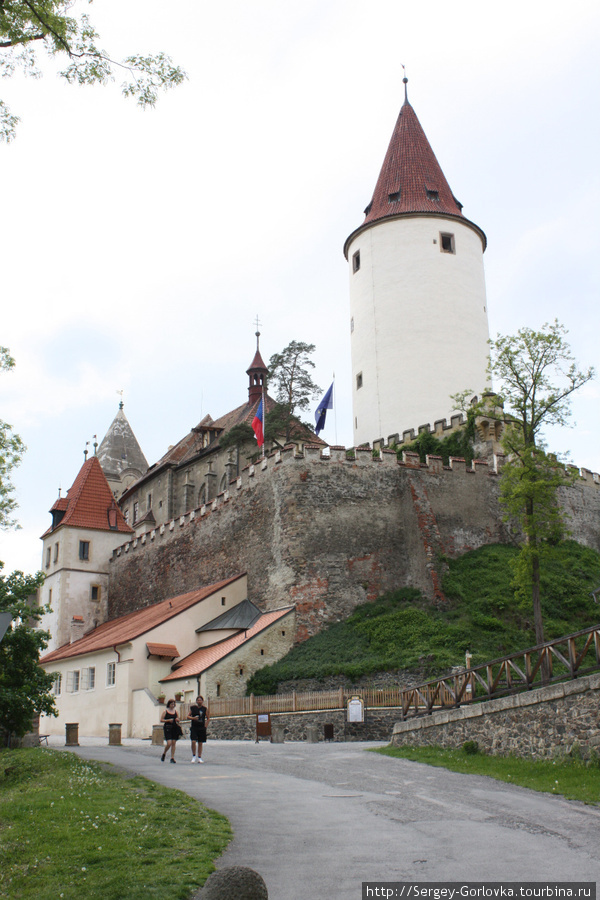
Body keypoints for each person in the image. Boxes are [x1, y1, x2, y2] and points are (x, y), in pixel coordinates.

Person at [188, 694, 209, 763]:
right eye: (198, 700)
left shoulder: (204, 709)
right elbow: (188, 716)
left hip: (201, 727)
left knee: (200, 743)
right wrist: (193, 718)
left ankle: (199, 757)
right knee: (193, 741)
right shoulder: (193, 708)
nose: (199, 701)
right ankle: (194, 756)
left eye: (200, 700)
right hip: (194, 727)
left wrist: (205, 726)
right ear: (196, 701)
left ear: (202, 701)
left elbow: (208, 718)